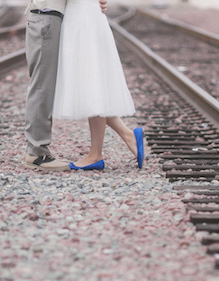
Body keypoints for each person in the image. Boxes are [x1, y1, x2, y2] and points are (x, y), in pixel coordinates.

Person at [52, 0, 144, 170]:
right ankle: (128, 135)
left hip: (83, 17)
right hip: (82, 14)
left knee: (90, 81)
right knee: (88, 83)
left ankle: (96, 154)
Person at [23, 0, 110, 171]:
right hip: (45, 15)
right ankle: (36, 154)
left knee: (44, 85)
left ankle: (38, 150)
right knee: (42, 86)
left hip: (48, 15)